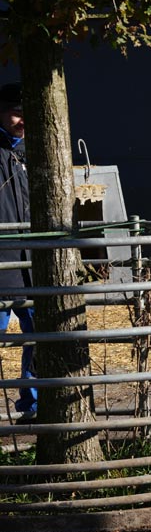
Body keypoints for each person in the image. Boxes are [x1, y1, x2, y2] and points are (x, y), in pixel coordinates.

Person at [0, 82, 35, 420]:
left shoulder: (30, 151)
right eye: (15, 113)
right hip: (2, 262)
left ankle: (33, 403)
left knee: (39, 336)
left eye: (27, 113)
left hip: (31, 262)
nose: (22, 120)